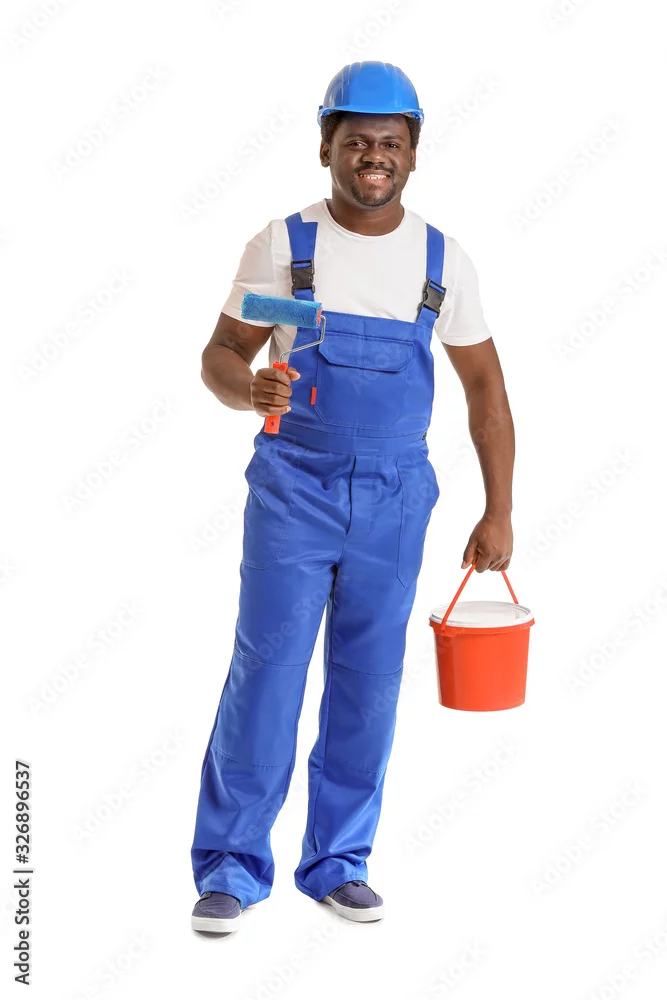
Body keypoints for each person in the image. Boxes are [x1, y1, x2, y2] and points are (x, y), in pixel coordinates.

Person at [190, 61, 514, 934]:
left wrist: (498, 509)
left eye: (390, 142)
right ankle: (229, 867)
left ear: (413, 151)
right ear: (325, 145)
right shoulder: (283, 246)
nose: (375, 156)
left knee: (368, 683)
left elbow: (485, 390)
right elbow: (221, 354)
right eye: (357, 140)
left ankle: (338, 863)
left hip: (396, 496)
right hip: (293, 486)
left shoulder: (442, 260)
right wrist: (246, 389)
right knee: (267, 674)